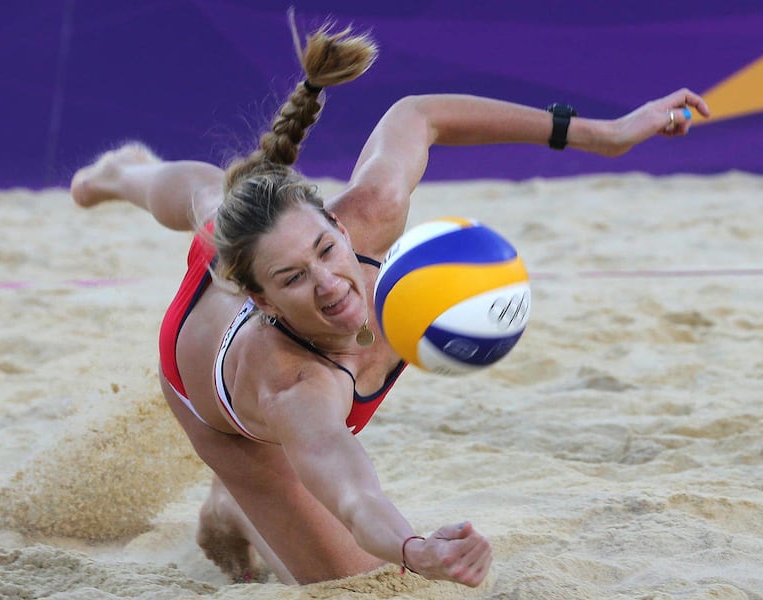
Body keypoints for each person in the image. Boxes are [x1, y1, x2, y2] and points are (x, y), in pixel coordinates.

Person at [70, 16, 709, 589]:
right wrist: (415, 548)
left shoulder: (369, 217)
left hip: (259, 264)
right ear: (260, 298)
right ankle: (236, 499)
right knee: (358, 583)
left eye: (326, 249)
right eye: (294, 278)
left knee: (218, 195)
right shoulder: (293, 388)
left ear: (341, 226)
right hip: (216, 408)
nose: (328, 283)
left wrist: (607, 134)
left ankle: (123, 175)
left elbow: (418, 114)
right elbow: (353, 495)